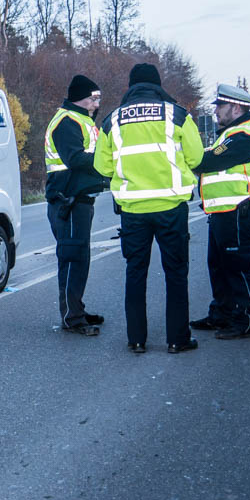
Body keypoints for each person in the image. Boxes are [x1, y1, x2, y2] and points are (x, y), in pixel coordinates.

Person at [94, 63, 204, 354]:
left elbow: (101, 166)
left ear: (131, 87)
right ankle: (177, 339)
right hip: (171, 209)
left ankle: (137, 340)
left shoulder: (112, 120)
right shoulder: (177, 115)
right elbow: (196, 158)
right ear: (157, 85)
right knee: (176, 273)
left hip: (132, 211)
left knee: (135, 272)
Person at [189, 83, 250, 339]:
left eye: (220, 107)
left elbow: (209, 160)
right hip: (224, 211)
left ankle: (245, 321)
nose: (216, 112)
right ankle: (222, 314)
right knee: (218, 265)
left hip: (241, 208)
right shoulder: (230, 133)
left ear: (236, 107)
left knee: (238, 265)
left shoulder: (244, 135)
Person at [44, 74, 108, 335]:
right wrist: (107, 165)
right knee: (72, 259)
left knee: (80, 258)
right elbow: (76, 158)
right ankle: (72, 318)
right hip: (66, 200)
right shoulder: (67, 121)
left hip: (79, 199)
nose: (97, 103)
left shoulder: (82, 120)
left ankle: (77, 309)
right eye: (94, 98)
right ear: (81, 98)